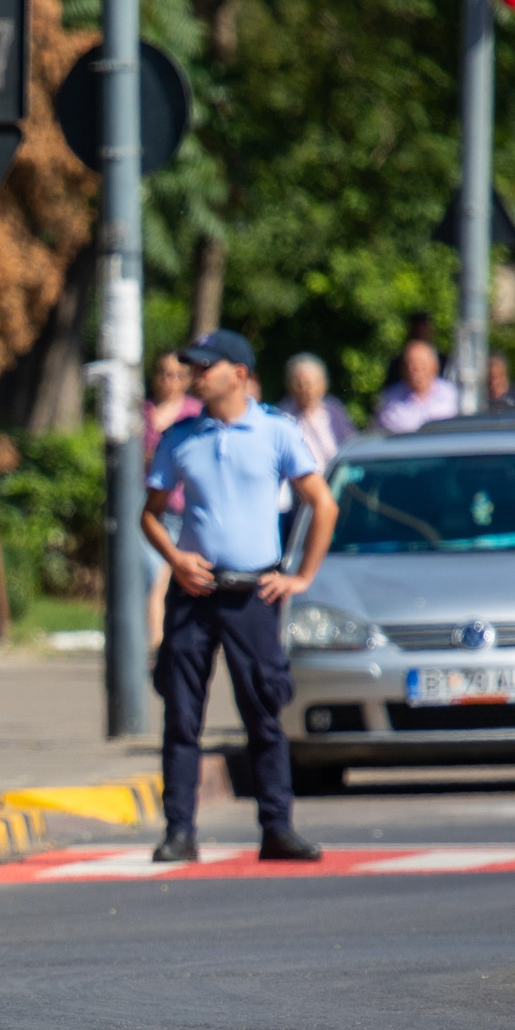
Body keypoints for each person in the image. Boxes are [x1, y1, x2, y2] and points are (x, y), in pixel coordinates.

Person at [142, 330, 334, 866]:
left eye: (207, 367)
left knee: (264, 714)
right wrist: (177, 559)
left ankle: (277, 826)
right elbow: (150, 514)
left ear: (239, 374)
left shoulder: (276, 430)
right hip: (194, 592)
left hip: (252, 593)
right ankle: (179, 830)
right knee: (182, 717)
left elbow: (322, 504)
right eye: (193, 366)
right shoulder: (182, 438)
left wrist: (300, 577)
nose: (195, 375)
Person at [143, 347, 204, 658]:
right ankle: (154, 640)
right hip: (146, 506)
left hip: (179, 506)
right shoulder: (142, 412)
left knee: (160, 576)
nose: (170, 380)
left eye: (178, 375)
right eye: (164, 373)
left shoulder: (193, 413)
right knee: (148, 575)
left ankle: (157, 643)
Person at [278, 353, 354, 467]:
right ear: (288, 385)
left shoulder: (333, 410)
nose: (304, 389)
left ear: (322, 384)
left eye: (309, 384)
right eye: (298, 384)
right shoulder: (282, 414)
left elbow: (350, 444)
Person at [372, 335, 460, 432]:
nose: (415, 371)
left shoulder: (452, 396)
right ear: (403, 370)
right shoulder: (390, 400)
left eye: (421, 365)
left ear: (434, 367)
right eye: (410, 366)